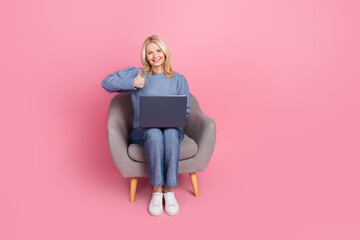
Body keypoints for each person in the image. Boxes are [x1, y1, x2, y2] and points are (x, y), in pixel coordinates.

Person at [101, 35, 191, 216]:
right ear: (145, 56)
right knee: (155, 133)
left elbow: (186, 109)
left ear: (165, 52)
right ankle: (157, 190)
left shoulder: (178, 79)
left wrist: (171, 116)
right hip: (144, 131)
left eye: (158, 51)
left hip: (173, 130)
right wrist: (131, 83)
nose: (155, 56)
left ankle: (169, 191)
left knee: (171, 133)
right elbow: (106, 83)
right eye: (150, 52)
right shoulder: (139, 74)